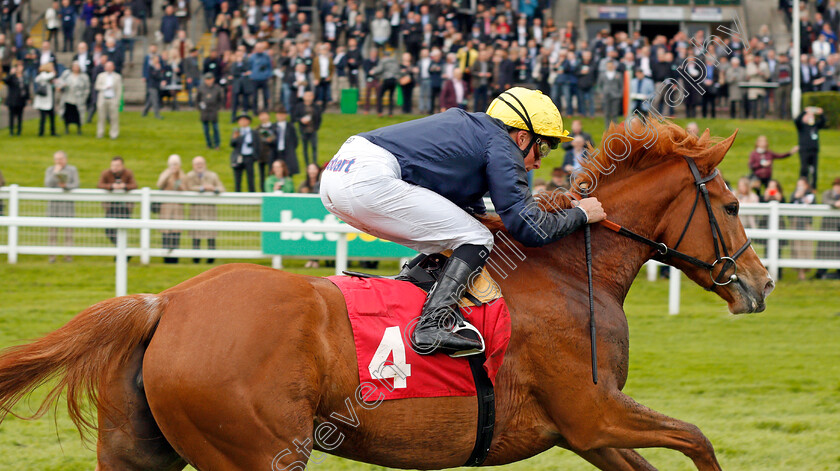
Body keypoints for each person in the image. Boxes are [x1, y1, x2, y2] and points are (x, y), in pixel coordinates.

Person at [319, 87, 605, 355]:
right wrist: (581, 215)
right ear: (521, 137)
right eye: (543, 148)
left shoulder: (477, 135)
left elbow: (471, 212)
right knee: (477, 238)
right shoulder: (501, 144)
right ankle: (432, 324)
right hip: (367, 177)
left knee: (465, 232)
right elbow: (527, 228)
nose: (540, 162)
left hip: (338, 173)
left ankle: (413, 288)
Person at [184, 155, 225, 264]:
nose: (199, 165)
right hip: (196, 209)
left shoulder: (212, 176)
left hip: (209, 209)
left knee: (210, 233)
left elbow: (221, 188)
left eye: (201, 163)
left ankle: (211, 257)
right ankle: (196, 257)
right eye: (197, 164)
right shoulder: (189, 176)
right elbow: (188, 187)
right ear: (193, 166)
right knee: (195, 233)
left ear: (205, 164)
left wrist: (214, 189)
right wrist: (202, 188)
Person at [44, 150, 79, 263]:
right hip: (53, 206)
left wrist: (66, 186)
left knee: (68, 233)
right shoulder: (50, 170)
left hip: (67, 206)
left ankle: (68, 255)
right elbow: (48, 184)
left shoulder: (72, 170)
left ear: (65, 159)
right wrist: (55, 172)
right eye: (56, 159)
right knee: (52, 233)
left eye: (61, 159)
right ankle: (52, 256)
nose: (58, 161)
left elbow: (76, 184)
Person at [97, 157, 138, 245]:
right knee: (109, 230)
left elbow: (134, 185)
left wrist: (124, 186)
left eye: (117, 165)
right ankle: (123, 251)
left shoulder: (128, 173)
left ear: (122, 166)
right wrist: (111, 186)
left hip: (124, 207)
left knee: (121, 231)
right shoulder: (106, 173)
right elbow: (99, 185)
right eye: (113, 165)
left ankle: (121, 254)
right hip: (111, 207)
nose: (115, 167)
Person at [157, 154, 187, 264]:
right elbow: (159, 184)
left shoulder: (182, 175)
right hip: (166, 207)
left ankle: (175, 256)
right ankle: (166, 255)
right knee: (166, 231)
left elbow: (185, 189)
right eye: (172, 164)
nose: (174, 166)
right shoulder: (165, 173)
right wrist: (169, 174)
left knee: (176, 231)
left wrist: (178, 182)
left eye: (176, 164)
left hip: (178, 207)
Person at [789, 177, 816, 281]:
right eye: (798, 185)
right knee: (797, 247)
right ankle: (800, 272)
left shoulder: (810, 195)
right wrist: (796, 198)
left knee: (806, 247)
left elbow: (811, 206)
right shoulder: (794, 195)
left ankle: (805, 269)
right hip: (796, 223)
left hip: (806, 223)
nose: (799, 187)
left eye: (802, 185)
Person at [794, 106, 826, 190]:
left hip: (814, 150)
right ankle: (802, 184)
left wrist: (821, 113)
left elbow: (823, 122)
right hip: (804, 150)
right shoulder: (802, 127)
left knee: (814, 170)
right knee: (804, 168)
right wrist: (804, 112)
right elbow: (797, 120)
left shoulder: (815, 126)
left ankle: (813, 187)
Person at [815, 178, 840, 280]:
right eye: (837, 186)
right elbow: (825, 200)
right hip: (829, 226)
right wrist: (835, 204)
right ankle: (821, 272)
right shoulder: (827, 193)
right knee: (825, 249)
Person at [230, 114, 260, 192]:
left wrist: (256, 156)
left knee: (250, 178)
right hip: (239, 156)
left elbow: (258, 144)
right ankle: (237, 195)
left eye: (245, 120)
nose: (243, 122)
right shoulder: (237, 132)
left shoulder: (253, 132)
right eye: (241, 120)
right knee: (237, 178)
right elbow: (232, 144)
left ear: (249, 121)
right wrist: (235, 137)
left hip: (249, 157)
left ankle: (252, 194)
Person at [58, 61, 90, 134]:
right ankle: (67, 128)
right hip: (68, 97)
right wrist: (62, 86)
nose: (75, 68)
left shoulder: (83, 76)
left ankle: (79, 129)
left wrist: (84, 98)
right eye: (74, 66)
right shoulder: (67, 74)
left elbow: (87, 88)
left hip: (78, 98)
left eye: (77, 66)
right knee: (67, 114)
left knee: (77, 115)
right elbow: (60, 82)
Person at [94, 61, 122, 139]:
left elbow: (119, 90)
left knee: (114, 118)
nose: (109, 68)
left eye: (110, 66)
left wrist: (118, 100)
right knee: (101, 117)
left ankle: (114, 134)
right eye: (107, 66)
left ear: (113, 67)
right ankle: (100, 133)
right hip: (103, 99)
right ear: (105, 68)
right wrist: (105, 87)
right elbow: (97, 86)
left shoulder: (117, 77)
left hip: (112, 99)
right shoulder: (101, 76)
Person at [294, 90, 322, 165]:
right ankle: (307, 163)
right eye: (307, 95)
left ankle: (314, 162)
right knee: (305, 148)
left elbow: (319, 118)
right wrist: (301, 120)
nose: (308, 97)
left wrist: (316, 127)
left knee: (314, 147)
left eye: (310, 96)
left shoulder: (316, 107)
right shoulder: (299, 106)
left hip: (313, 130)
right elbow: (294, 117)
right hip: (303, 130)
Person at [197, 72, 225, 149]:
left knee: (215, 128)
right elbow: (197, 99)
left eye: (210, 79)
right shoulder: (201, 88)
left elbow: (220, 99)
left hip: (213, 110)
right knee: (206, 129)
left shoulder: (217, 88)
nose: (208, 81)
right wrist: (200, 108)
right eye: (207, 79)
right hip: (204, 111)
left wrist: (217, 108)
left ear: (213, 79)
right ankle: (208, 144)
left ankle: (217, 144)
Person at [272, 106, 299, 177]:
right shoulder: (273, 127)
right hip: (276, 152)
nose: (280, 116)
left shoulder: (290, 127)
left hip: (287, 152)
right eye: (279, 114)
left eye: (282, 114)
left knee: (288, 171)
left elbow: (295, 141)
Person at [4, 62, 29, 136]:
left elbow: (26, 88)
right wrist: (11, 73)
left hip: (21, 100)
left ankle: (19, 131)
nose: (20, 68)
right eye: (18, 66)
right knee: (11, 116)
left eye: (21, 66)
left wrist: (27, 98)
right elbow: (6, 81)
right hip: (12, 100)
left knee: (20, 116)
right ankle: (11, 131)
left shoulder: (24, 77)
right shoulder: (12, 77)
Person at [34, 63, 58, 137]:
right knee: (43, 118)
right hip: (43, 101)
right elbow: (44, 78)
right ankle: (41, 132)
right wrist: (53, 72)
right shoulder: (43, 74)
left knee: (52, 117)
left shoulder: (48, 76)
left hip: (50, 100)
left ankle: (53, 132)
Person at [597, 60, 622, 128]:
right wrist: (601, 93)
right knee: (607, 113)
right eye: (608, 66)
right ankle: (607, 128)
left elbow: (621, 86)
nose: (610, 67)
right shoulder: (602, 75)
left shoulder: (618, 74)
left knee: (615, 113)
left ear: (614, 66)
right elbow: (599, 86)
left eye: (611, 65)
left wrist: (619, 94)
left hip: (615, 96)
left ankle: (615, 128)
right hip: (605, 95)